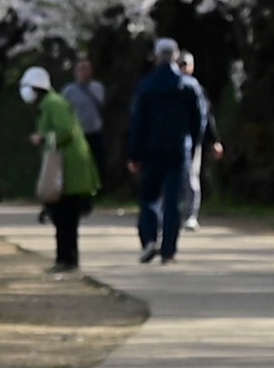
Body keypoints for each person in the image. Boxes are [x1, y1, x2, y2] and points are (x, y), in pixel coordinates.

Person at [122, 39, 210, 262]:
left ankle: (150, 239)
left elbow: (137, 122)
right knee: (173, 200)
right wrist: (194, 143)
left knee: (149, 197)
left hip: (151, 150)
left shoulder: (146, 86)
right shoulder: (189, 86)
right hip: (179, 149)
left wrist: (133, 153)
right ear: (176, 56)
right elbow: (199, 120)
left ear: (156, 56)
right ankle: (168, 251)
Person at [18, 64, 104, 271]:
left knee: (66, 215)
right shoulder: (49, 104)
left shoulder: (54, 104)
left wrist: (43, 137)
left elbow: (64, 131)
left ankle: (68, 260)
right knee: (61, 215)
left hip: (69, 168)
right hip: (63, 167)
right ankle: (63, 259)